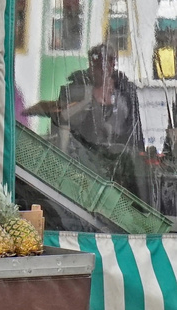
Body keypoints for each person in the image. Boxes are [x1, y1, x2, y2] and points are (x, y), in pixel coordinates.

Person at [32, 43, 146, 196]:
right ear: (91, 63)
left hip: (121, 167)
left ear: (114, 63)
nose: (104, 67)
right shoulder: (73, 91)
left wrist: (139, 159)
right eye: (98, 63)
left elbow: (135, 128)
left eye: (110, 61)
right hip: (84, 166)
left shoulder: (126, 91)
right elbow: (61, 124)